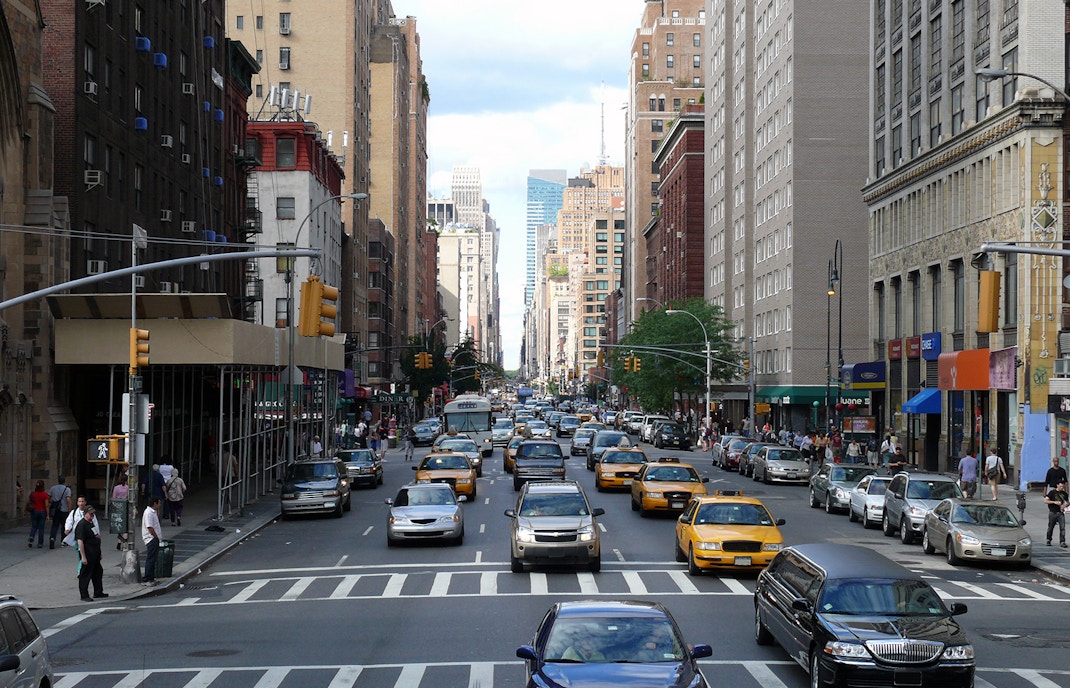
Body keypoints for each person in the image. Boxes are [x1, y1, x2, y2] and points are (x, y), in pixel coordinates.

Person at [75, 506, 107, 601]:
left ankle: (98, 592)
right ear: (85, 514)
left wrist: (99, 552)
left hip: (95, 553)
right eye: (90, 513)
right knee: (85, 574)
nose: (92, 515)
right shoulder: (82, 524)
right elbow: (80, 541)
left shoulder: (90, 523)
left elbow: (96, 536)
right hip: (88, 553)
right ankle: (84, 595)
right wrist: (83, 557)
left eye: (93, 513)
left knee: (97, 572)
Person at [142, 497, 163, 586]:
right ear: (155, 503)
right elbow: (149, 527)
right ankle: (147, 579)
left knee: (153, 559)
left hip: (153, 538)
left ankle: (151, 578)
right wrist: (156, 537)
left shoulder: (152, 512)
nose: (160, 505)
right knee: (151, 559)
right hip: (151, 539)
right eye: (159, 503)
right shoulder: (149, 513)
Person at [47, 476, 72, 549]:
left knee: (55, 525)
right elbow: (68, 500)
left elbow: (48, 498)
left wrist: (52, 501)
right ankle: (63, 541)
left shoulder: (53, 488)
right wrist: (69, 510)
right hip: (64, 510)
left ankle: (52, 538)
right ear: (64, 481)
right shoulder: (67, 489)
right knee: (64, 526)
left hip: (55, 510)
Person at [1044, 479, 1069, 548]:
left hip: (1060, 512)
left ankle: (1062, 541)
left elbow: (1068, 502)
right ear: (1057, 485)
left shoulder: (1064, 494)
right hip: (1053, 512)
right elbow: (1046, 501)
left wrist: (1065, 506)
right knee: (1050, 527)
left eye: (1063, 487)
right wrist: (1054, 502)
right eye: (1060, 486)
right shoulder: (1052, 492)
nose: (1062, 488)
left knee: (1062, 527)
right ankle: (1048, 539)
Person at [26, 480, 49, 548]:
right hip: (42, 512)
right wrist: (48, 515)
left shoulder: (32, 493)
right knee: (41, 528)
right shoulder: (44, 494)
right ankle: (40, 543)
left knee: (34, 526)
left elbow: (29, 502)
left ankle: (31, 537)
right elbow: (46, 505)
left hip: (34, 511)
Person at [112, 471, 130, 550]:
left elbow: (114, 498)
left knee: (119, 525)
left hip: (117, 507)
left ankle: (119, 541)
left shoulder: (116, 488)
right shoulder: (128, 488)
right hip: (125, 507)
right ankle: (124, 544)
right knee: (125, 526)